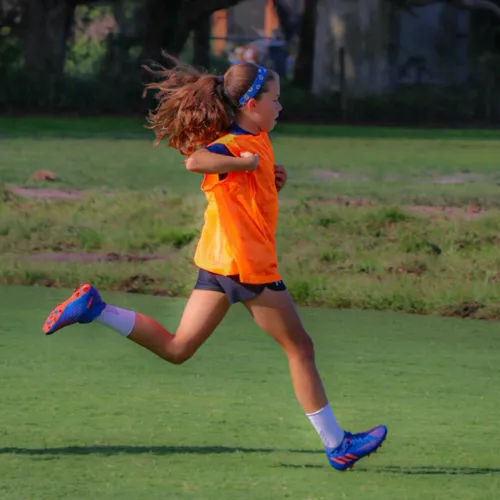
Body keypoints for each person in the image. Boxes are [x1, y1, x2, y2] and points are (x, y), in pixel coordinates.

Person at [42, 56, 387, 471]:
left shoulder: (256, 137)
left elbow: (241, 192)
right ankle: (337, 445)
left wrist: (267, 180)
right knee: (301, 348)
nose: (280, 107)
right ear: (251, 104)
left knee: (178, 348)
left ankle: (96, 309)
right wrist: (245, 164)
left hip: (219, 261)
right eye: (275, 99)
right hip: (246, 265)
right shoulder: (237, 144)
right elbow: (197, 161)